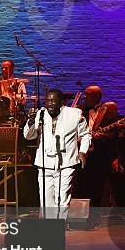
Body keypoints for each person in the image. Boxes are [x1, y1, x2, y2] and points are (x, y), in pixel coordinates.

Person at [23, 89, 91, 218]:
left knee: (62, 199)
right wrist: (30, 123)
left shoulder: (75, 115)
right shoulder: (41, 114)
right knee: (46, 201)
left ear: (62, 102)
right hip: (44, 163)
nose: (50, 104)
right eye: (47, 101)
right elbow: (29, 136)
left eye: (53, 101)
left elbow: (86, 134)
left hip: (66, 162)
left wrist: (82, 151)